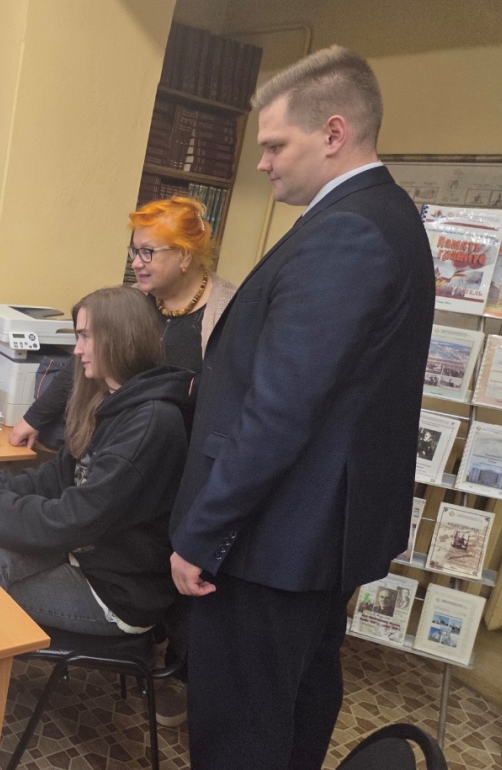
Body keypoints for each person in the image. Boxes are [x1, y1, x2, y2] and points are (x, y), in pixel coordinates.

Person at [168, 46, 435, 770]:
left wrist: (201, 535)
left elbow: (281, 410)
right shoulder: (379, 215)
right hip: (307, 541)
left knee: (241, 736)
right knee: (293, 716)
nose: (262, 163)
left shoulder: (348, 232)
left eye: (275, 145)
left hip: (271, 546)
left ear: (334, 132)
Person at [0, 285, 191, 699]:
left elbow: (69, 519)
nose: (77, 350)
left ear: (119, 339)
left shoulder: (151, 424)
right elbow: (56, 477)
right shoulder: (114, 400)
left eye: (86, 337)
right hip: (88, 558)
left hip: (117, 595)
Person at [10, 197, 236, 450]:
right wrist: (33, 419)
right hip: (117, 442)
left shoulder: (229, 310)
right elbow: (84, 362)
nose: (136, 263)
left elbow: (224, 397)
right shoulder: (133, 299)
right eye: (134, 252)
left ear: (185, 255)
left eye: (147, 252)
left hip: (173, 453)